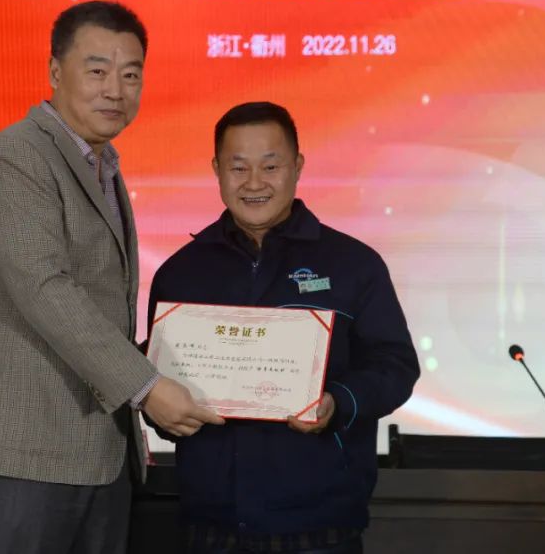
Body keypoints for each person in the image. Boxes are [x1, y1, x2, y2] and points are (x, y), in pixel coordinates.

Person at [0, 0, 222, 554]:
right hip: (27, 454)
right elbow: (44, 288)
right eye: (97, 71)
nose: (115, 90)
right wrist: (147, 386)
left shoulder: (102, 164)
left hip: (100, 455)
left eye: (131, 75)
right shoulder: (17, 156)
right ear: (55, 72)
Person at [147, 102, 420, 553]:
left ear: (298, 167)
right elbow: (160, 386)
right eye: (238, 167)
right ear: (216, 170)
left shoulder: (354, 265)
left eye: (270, 166)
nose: (254, 183)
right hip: (211, 526)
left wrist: (337, 402)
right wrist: (159, 408)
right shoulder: (180, 274)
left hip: (321, 529)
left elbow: (396, 366)